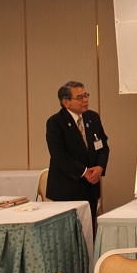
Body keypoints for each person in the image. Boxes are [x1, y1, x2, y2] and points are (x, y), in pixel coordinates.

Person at [46, 81, 109, 230]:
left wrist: (100, 167)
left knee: (89, 232)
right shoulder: (55, 122)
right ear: (66, 102)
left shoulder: (92, 117)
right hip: (66, 189)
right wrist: (84, 172)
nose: (85, 100)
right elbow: (59, 155)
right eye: (79, 97)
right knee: (69, 233)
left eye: (86, 95)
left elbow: (103, 146)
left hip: (90, 188)